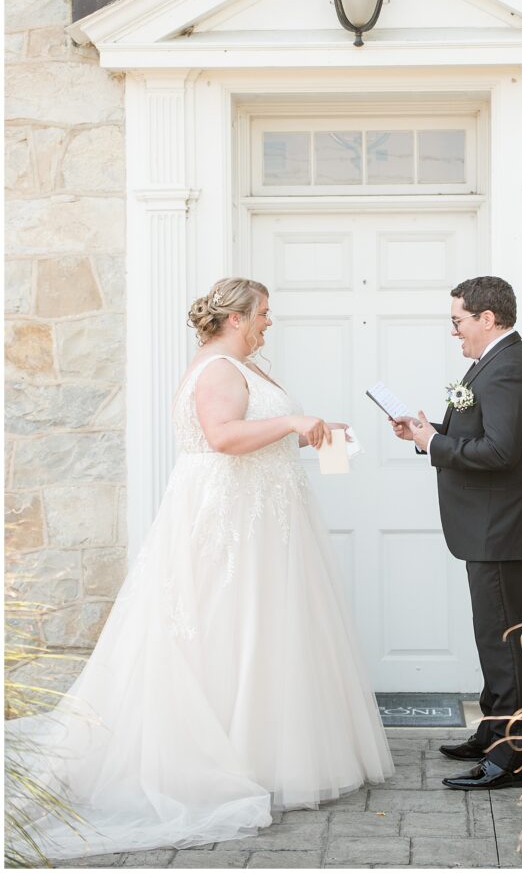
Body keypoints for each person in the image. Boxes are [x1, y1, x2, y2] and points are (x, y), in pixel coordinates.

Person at [9, 277, 393, 860]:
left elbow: (256, 431)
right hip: (230, 521)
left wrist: (313, 431)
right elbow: (222, 436)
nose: (270, 321)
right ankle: (223, 760)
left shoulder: (246, 367)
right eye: (264, 312)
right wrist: (293, 424)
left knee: (261, 630)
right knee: (224, 626)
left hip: (262, 514)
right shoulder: (217, 369)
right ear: (236, 317)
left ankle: (261, 749)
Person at [391, 276, 522, 790]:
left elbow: (502, 453)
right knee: (495, 633)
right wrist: (430, 436)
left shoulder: (507, 367)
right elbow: (480, 437)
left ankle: (513, 758)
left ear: (488, 318)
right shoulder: (492, 362)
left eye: (458, 320)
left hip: (503, 525)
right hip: (490, 524)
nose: (453, 331)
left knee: (507, 639)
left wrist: (436, 446)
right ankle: (493, 730)